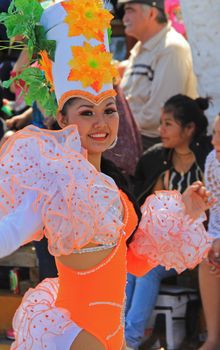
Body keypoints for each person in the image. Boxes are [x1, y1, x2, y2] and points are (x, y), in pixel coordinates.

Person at [0, 2, 213, 350]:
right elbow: (9, 233)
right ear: (65, 121)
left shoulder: (113, 189)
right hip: (77, 338)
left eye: (108, 110)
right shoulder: (54, 182)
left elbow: (135, 262)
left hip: (111, 336)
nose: (101, 122)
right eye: (87, 112)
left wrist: (185, 212)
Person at [125, 94, 213, 349]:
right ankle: (117, 332)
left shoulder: (207, 160)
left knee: (148, 270)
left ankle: (130, 339)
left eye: (168, 124)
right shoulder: (157, 160)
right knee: (131, 267)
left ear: (189, 129)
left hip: (195, 246)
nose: (160, 130)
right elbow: (149, 207)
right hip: (164, 245)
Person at [118, 0, 197, 150]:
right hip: (135, 137)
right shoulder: (142, 48)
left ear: (152, 13)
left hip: (154, 143)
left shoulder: (171, 49)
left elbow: (158, 114)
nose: (124, 18)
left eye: (130, 10)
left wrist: (119, 126)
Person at [199, 115, 220, 350]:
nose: (216, 141)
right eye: (215, 133)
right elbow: (216, 212)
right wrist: (215, 242)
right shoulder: (213, 161)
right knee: (208, 259)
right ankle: (213, 339)